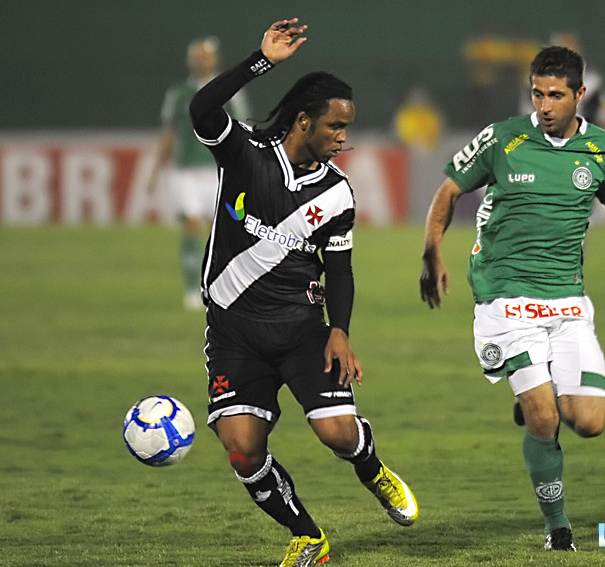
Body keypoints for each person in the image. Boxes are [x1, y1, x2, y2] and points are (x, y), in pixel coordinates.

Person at [189, 18, 418, 567]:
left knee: (337, 433)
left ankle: (373, 470)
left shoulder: (337, 193)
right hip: (234, 333)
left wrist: (340, 332)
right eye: (335, 125)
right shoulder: (244, 151)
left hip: (300, 331)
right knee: (243, 451)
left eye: (347, 127)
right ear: (303, 121)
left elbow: (341, 270)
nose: (343, 136)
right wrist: (260, 62)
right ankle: (308, 536)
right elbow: (202, 109)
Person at [420, 45, 605, 551]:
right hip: (503, 299)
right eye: (537, 94)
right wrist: (432, 251)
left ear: (580, 95)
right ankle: (558, 527)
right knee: (546, 418)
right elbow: (449, 191)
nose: (544, 106)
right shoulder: (503, 138)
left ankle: (534, 396)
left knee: (589, 422)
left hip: (567, 302)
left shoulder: (604, 150)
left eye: (556, 96)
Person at [148, 36, 250, 310]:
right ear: (189, 61)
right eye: (197, 57)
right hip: (185, 170)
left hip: (218, 169)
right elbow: (169, 133)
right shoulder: (179, 94)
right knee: (192, 225)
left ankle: (224, 287)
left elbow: (243, 130)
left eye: (205, 56)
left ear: (214, 59)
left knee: (225, 229)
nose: (201, 61)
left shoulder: (230, 92)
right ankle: (193, 290)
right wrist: (155, 171)